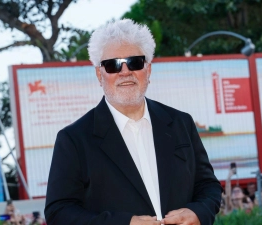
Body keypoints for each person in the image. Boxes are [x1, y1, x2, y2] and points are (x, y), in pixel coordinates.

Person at [44, 19, 222, 225]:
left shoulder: (181, 123)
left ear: (148, 69)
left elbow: (208, 185)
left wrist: (198, 213)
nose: (125, 71)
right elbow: (59, 212)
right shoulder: (74, 139)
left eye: (135, 62)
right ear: (99, 75)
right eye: (113, 65)